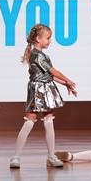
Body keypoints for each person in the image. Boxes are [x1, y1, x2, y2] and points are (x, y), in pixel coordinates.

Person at [9, 24, 77, 168]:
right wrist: (68, 79)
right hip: (36, 89)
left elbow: (49, 77)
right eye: (47, 38)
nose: (49, 41)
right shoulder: (36, 55)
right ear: (38, 39)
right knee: (29, 121)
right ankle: (15, 157)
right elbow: (53, 71)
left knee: (48, 121)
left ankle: (51, 156)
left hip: (46, 89)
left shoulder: (44, 55)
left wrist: (65, 84)